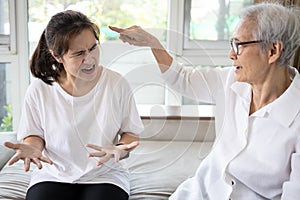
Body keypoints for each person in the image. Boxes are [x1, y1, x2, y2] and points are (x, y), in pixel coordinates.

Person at [109, 2, 300, 200]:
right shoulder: (230, 81)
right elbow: (182, 79)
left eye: (239, 45)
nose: (231, 54)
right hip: (199, 193)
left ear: (273, 51)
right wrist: (153, 44)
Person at [4, 10, 144, 200]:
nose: (90, 59)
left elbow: (130, 133)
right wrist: (33, 147)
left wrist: (120, 148)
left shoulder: (116, 84)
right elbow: (34, 134)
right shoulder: (40, 89)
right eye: (79, 53)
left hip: (105, 176)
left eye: (93, 48)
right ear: (57, 56)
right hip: (53, 175)